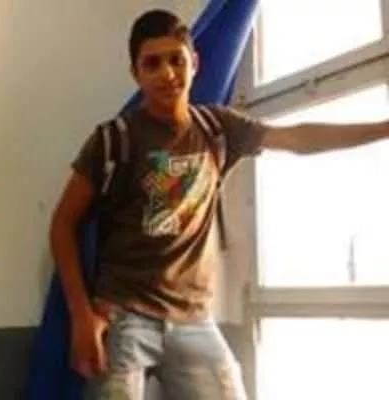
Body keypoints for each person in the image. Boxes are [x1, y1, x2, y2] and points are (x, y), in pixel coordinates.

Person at [50, 8, 389, 400]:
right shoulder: (114, 139)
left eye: (176, 60)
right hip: (124, 315)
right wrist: (81, 316)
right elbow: (62, 225)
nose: (167, 74)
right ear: (135, 73)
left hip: (194, 318)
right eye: (152, 63)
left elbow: (298, 138)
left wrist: (383, 129)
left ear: (194, 63)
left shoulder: (218, 129)